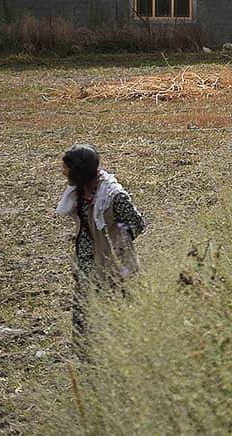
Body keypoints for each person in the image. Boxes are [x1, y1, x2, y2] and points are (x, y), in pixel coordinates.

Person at [56, 143, 146, 352]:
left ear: (78, 171)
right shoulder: (78, 193)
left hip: (116, 268)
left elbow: (137, 223)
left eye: (66, 168)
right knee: (84, 319)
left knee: (120, 317)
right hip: (87, 265)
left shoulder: (114, 197)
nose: (63, 172)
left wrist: (115, 244)